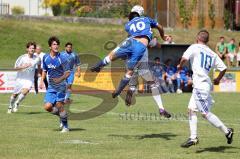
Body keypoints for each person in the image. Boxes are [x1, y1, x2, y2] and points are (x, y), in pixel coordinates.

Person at [91, 5, 169, 99]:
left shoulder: (128, 25)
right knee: (130, 71)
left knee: (111, 55)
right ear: (140, 14)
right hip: (140, 46)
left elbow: (132, 33)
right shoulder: (146, 19)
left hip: (130, 42)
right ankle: (119, 90)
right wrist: (163, 36)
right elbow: (159, 27)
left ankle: (100, 65)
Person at [178, 30, 233, 148]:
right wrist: (218, 79)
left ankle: (227, 131)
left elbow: (184, 58)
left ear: (198, 37)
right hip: (203, 85)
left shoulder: (194, 47)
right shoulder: (212, 53)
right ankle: (193, 138)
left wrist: (180, 66)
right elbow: (223, 68)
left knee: (205, 113)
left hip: (200, 86)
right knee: (191, 110)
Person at [124, 39, 171, 118]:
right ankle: (161, 108)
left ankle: (131, 91)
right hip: (143, 65)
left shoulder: (128, 40)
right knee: (153, 85)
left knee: (132, 86)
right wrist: (155, 41)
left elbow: (121, 53)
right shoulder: (146, 37)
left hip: (131, 64)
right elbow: (159, 46)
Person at [40, 36, 70, 133]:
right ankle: (62, 116)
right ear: (50, 47)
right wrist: (41, 80)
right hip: (51, 86)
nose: (56, 46)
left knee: (59, 105)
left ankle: (65, 127)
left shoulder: (62, 58)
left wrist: (60, 79)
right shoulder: (45, 57)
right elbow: (44, 70)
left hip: (61, 85)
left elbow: (68, 72)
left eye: (57, 44)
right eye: (54, 44)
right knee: (47, 107)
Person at [8, 42, 40, 113]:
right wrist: (23, 66)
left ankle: (17, 103)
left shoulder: (37, 58)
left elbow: (39, 65)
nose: (32, 49)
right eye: (30, 48)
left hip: (29, 79)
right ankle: (10, 106)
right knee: (15, 94)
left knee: (25, 91)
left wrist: (38, 72)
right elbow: (15, 68)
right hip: (20, 79)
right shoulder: (22, 57)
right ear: (27, 49)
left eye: (33, 48)